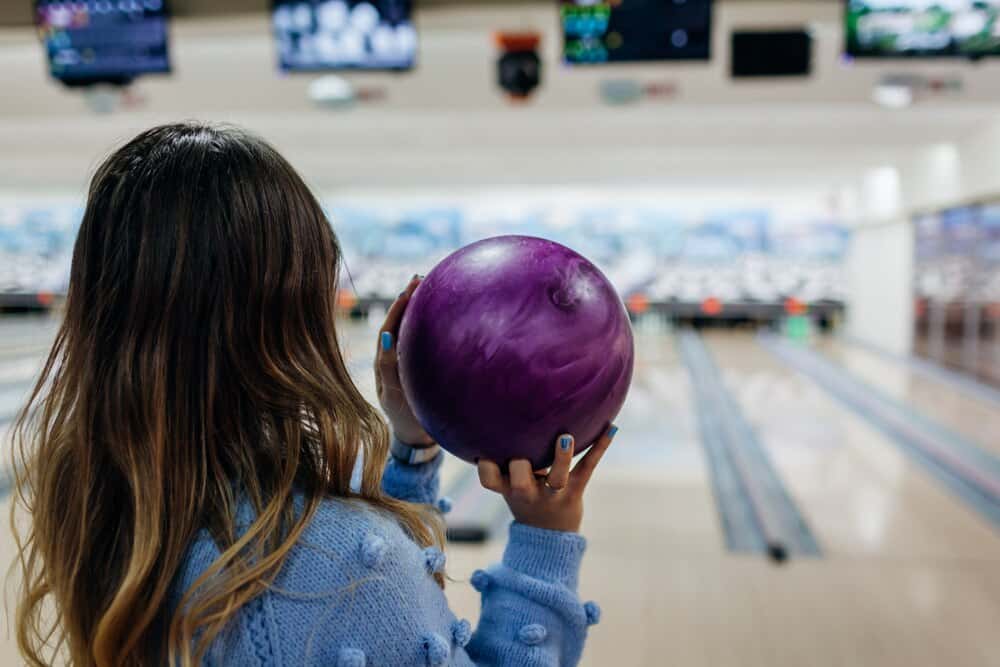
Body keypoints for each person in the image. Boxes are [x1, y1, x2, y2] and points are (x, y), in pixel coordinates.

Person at [10, 123, 617, 667]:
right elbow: (345, 590)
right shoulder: (334, 572)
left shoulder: (112, 513)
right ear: (284, 312)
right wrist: (546, 536)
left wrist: (414, 452)